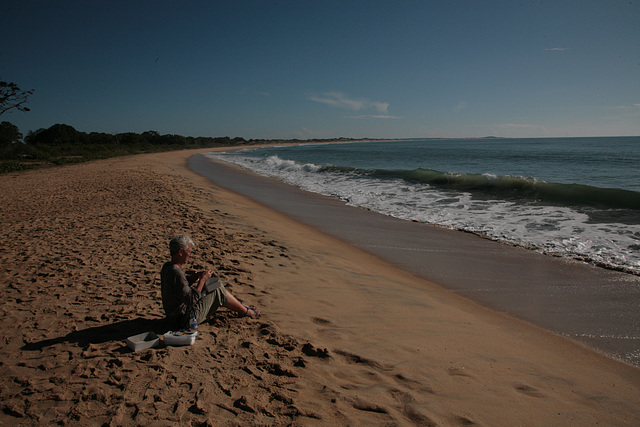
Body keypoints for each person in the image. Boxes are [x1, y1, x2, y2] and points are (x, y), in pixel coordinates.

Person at [160, 234, 260, 330]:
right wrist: (202, 280)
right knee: (217, 288)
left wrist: (194, 277)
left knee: (213, 283)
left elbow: (179, 287)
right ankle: (245, 311)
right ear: (181, 252)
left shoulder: (167, 266)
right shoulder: (176, 273)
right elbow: (191, 299)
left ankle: (239, 305)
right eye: (189, 252)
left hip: (175, 316)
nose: (190, 255)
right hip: (184, 320)